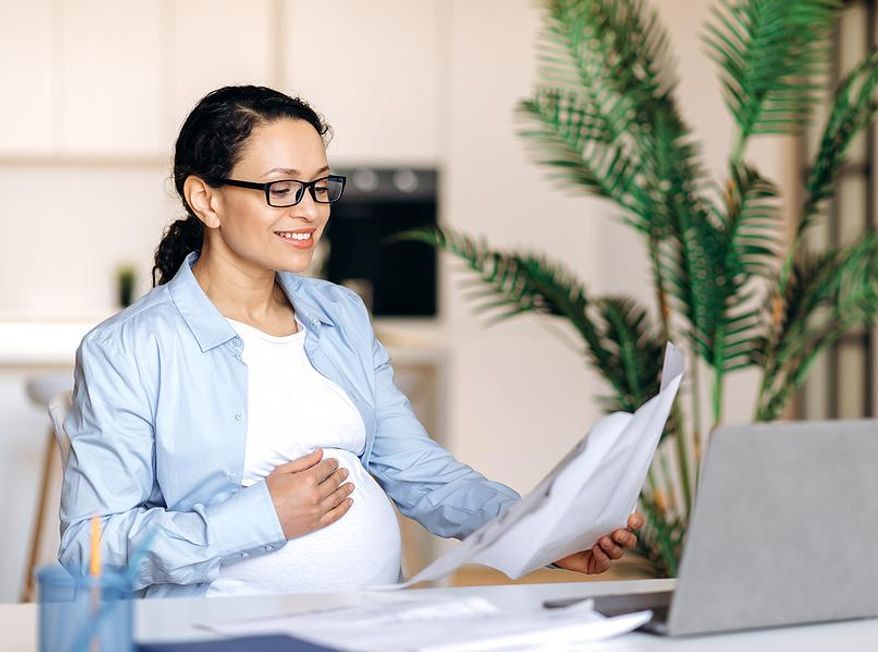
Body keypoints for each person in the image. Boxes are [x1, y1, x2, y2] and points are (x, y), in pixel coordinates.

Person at [58, 85, 644, 598]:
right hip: (226, 632)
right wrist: (262, 516)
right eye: (282, 189)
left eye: (318, 186)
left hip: (373, 620)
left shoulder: (339, 314)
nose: (310, 210)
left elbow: (417, 470)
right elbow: (89, 548)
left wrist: (540, 530)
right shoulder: (128, 348)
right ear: (206, 199)